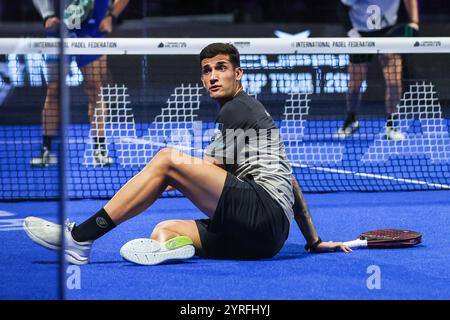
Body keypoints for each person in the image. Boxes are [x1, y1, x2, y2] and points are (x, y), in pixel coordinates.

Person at [23, 43, 351, 266]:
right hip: (264, 241)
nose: (212, 76)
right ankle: (169, 249)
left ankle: (80, 238)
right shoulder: (250, 115)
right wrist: (314, 240)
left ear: (238, 74)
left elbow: (207, 167)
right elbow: (290, 181)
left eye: (221, 68)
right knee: (165, 230)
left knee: (167, 159)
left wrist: (168, 177)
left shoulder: (238, 108)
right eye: (206, 70)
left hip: (260, 213)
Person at [30, 0, 130, 167]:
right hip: (59, 28)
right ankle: (46, 150)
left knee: (95, 90)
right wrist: (47, 14)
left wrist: (112, 16)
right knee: (54, 89)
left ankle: (100, 149)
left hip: (92, 30)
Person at [335, 0, 419, 140]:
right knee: (355, 81)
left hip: (388, 32)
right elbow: (342, 8)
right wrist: (351, 31)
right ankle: (351, 120)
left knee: (394, 80)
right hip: (360, 33)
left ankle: (391, 125)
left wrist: (414, 21)